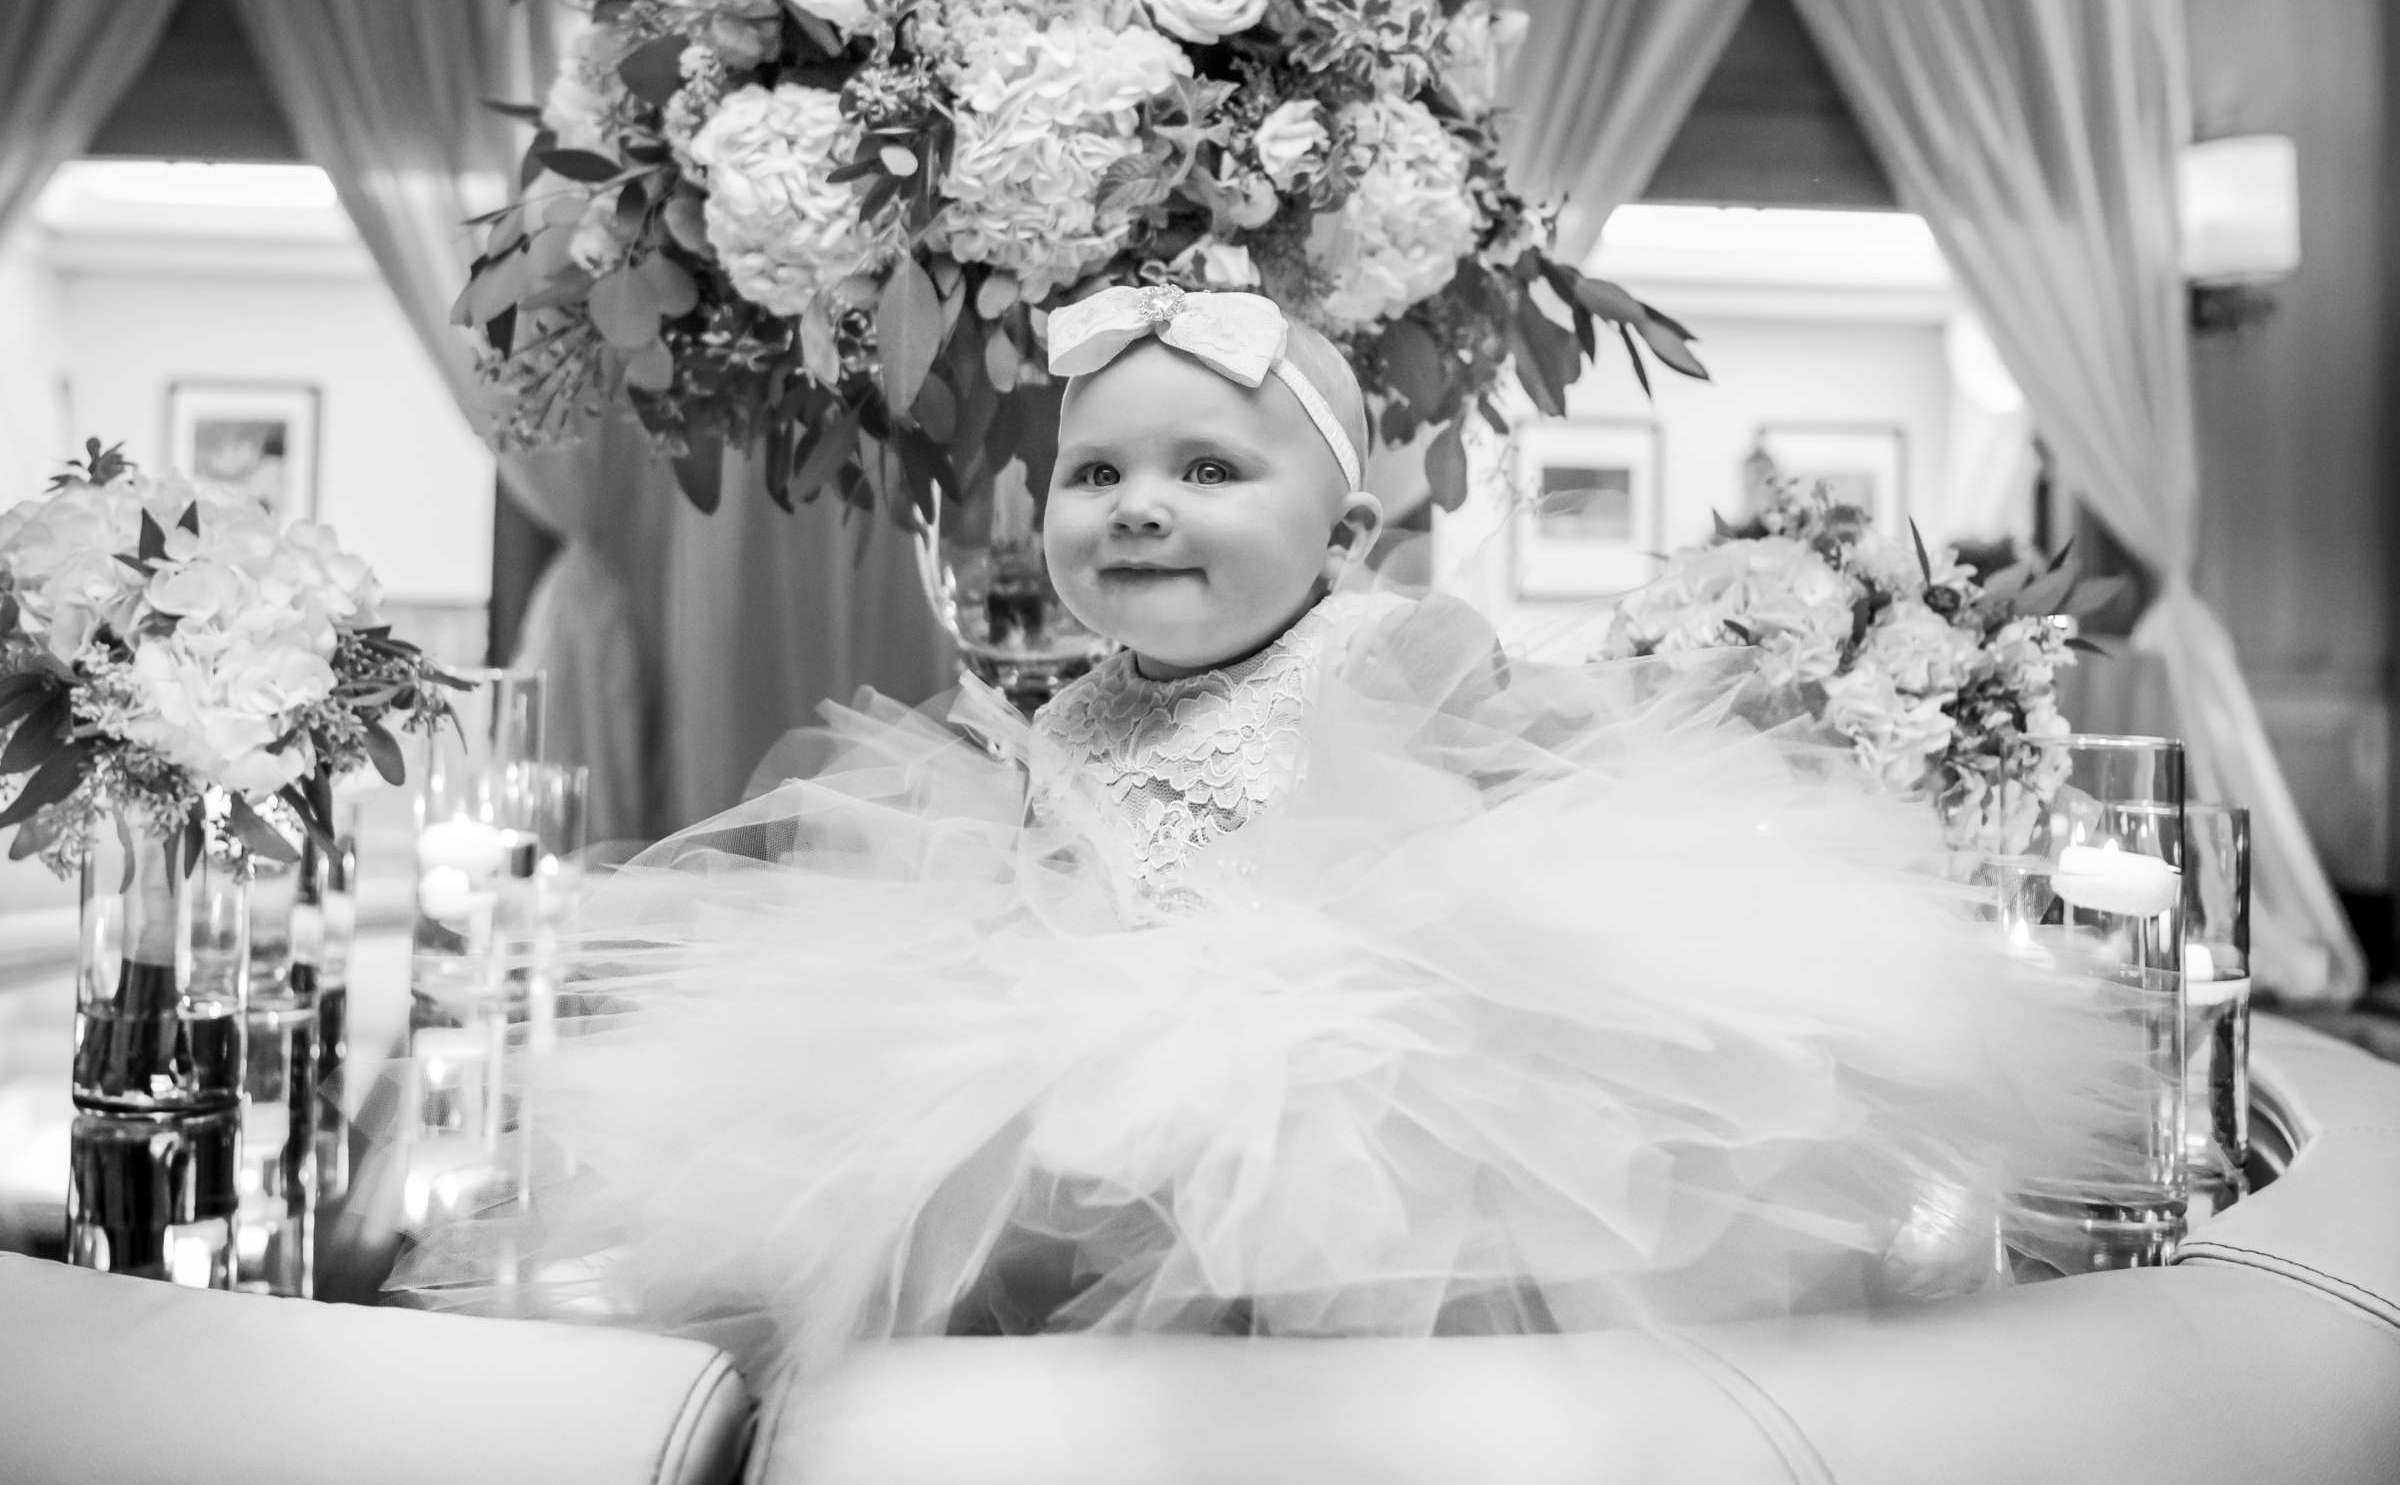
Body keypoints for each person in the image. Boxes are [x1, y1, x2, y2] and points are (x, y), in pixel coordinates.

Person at [394, 286, 2131, 1388]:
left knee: (1322, 1337)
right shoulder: (1061, 714)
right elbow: (1030, 891)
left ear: (1346, 526)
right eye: (1096, 475)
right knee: (1002, 1256)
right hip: (1092, 1126)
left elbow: (1554, 816)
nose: (1140, 502)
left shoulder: (1401, 647)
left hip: (1376, 1107)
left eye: (1211, 470)